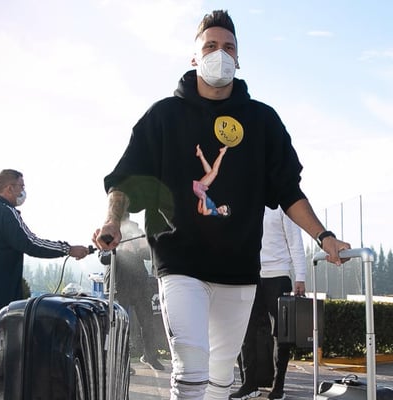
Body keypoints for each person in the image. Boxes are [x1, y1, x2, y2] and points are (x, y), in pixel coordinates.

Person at [92, 10, 351, 400]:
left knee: (220, 378)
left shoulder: (263, 121)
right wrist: (112, 221)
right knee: (191, 370)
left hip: (239, 270)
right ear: (194, 57)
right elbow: (126, 180)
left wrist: (324, 236)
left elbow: (289, 191)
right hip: (180, 264)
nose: (220, 53)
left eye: (228, 47)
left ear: (238, 58)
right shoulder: (163, 116)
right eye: (210, 46)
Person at [0, 169, 90, 400]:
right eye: (21, 186)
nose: (24, 191)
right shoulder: (5, 211)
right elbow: (30, 242)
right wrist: (68, 249)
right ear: (9, 188)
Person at [231, 207, 307, 400]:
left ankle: (278, 386)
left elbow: (295, 240)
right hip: (249, 275)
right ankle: (249, 385)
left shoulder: (282, 205)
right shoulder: (248, 202)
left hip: (278, 275)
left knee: (281, 334)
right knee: (246, 331)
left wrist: (301, 276)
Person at [99, 212, 165, 373]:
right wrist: (120, 249)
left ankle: (150, 356)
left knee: (148, 322)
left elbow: (148, 255)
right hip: (119, 284)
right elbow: (103, 257)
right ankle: (122, 361)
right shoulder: (108, 230)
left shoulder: (136, 230)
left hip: (140, 283)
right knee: (120, 324)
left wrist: (141, 248)